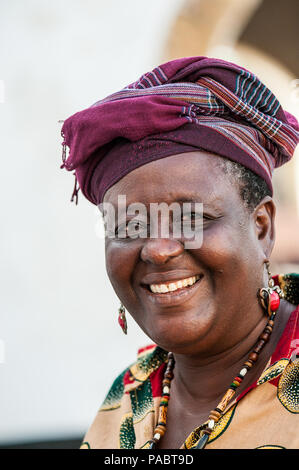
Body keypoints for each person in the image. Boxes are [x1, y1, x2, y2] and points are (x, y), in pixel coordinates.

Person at [60, 57, 299, 449]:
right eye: (130, 226)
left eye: (193, 218)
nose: (158, 250)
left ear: (262, 228)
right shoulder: (126, 397)